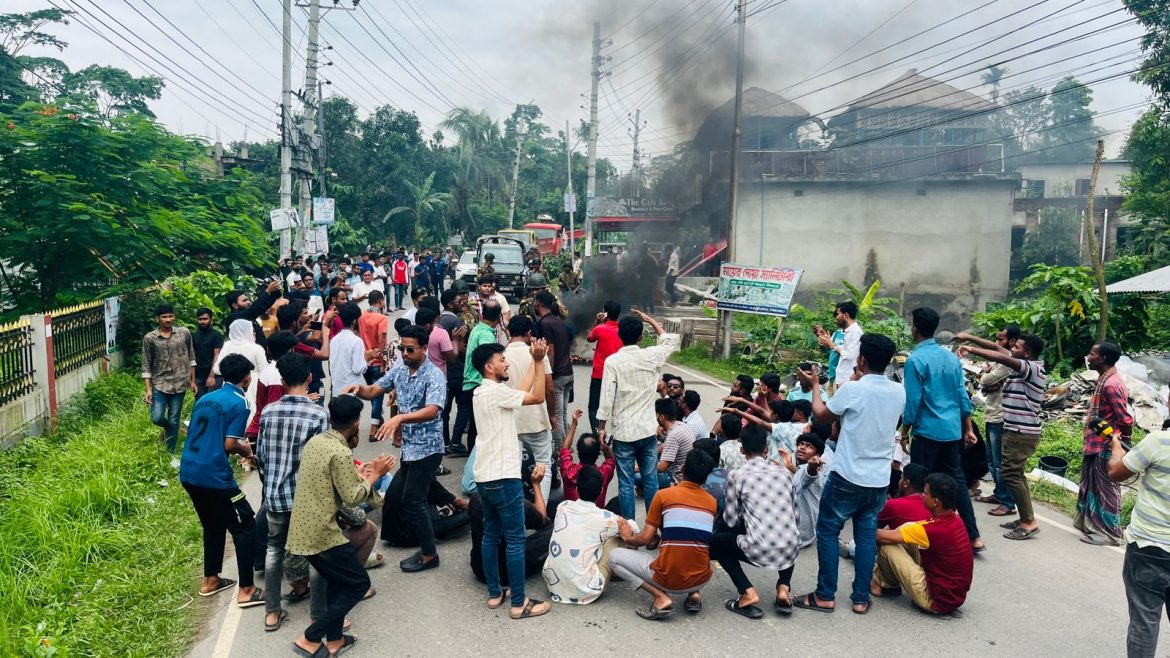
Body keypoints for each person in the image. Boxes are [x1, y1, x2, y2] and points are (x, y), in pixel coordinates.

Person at [794, 333, 904, 615]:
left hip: (847, 476)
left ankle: (825, 595)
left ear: (862, 359)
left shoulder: (853, 390)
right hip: (878, 479)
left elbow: (820, 415)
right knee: (866, 536)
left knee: (828, 530)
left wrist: (816, 385)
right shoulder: (898, 391)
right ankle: (859, 598)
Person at [288, 396, 395, 658]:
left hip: (303, 529)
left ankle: (334, 640)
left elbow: (333, 484)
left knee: (337, 582)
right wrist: (376, 475)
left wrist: (360, 476)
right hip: (322, 533)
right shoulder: (341, 451)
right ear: (356, 423)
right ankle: (310, 637)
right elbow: (353, 497)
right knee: (358, 585)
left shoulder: (317, 442)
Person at [344, 325, 447, 573]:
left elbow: (433, 409)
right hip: (410, 449)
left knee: (413, 500)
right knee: (407, 494)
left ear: (424, 349)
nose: (405, 353)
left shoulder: (434, 376)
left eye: (410, 349)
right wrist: (358, 389)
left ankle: (429, 554)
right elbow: (374, 390)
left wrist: (400, 418)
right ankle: (454, 505)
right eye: (402, 348)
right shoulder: (400, 370)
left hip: (428, 448)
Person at [470, 339, 553, 620]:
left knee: (491, 535)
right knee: (516, 540)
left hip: (484, 477)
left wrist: (534, 361)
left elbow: (520, 391)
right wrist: (541, 362)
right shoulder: (495, 393)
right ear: (489, 366)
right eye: (502, 359)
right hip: (504, 478)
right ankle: (519, 603)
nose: (506, 363)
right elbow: (537, 397)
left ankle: (496, 594)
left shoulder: (484, 392)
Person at [178, 354, 264, 608]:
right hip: (214, 474)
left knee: (213, 524)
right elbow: (228, 443)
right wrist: (246, 451)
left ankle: (211, 579)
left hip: (189, 471)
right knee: (244, 524)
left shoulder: (205, 398)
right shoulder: (241, 402)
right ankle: (246, 589)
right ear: (247, 378)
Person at [256, 353, 329, 631]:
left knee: (274, 550)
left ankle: (272, 612)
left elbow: (261, 455)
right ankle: (316, 615)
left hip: (276, 496)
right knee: (316, 555)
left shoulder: (268, 412)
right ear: (309, 378)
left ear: (283, 381)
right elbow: (323, 461)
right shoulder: (318, 414)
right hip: (307, 499)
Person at [901, 308, 984, 552]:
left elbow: (913, 401)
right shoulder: (951, 358)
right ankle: (973, 536)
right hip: (951, 431)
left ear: (915, 327)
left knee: (919, 481)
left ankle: (917, 535)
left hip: (927, 432)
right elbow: (961, 394)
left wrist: (905, 430)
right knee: (955, 480)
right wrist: (968, 428)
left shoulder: (915, 360)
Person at [957, 332, 1047, 541]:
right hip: (1016, 429)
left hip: (1021, 432)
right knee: (1015, 473)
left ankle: (1028, 522)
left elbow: (1003, 358)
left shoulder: (1030, 367)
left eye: (1017, 348)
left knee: (1011, 473)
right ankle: (1026, 516)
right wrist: (970, 338)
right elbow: (997, 349)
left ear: (1028, 352)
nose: (1012, 349)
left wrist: (970, 350)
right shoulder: (1023, 364)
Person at [610, 450, 717, 620]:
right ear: (705, 478)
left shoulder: (663, 495)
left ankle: (660, 597)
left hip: (667, 580)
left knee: (613, 557)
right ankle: (694, 594)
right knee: (694, 542)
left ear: (682, 469)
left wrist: (627, 537)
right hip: (701, 579)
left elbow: (646, 538)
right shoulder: (712, 502)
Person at [597, 310, 680, 521]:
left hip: (624, 433)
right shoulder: (650, 355)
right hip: (647, 431)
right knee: (651, 480)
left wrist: (601, 428)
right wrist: (651, 319)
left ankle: (630, 531)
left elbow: (606, 399)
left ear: (619, 336)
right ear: (641, 336)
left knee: (626, 483)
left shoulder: (613, 362)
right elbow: (669, 342)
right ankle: (652, 529)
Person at [710, 425, 801, 619]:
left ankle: (747, 592)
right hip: (791, 547)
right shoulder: (785, 473)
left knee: (716, 543)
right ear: (766, 449)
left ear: (742, 449)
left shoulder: (737, 475)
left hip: (760, 548)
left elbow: (731, 520)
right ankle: (783, 588)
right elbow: (795, 516)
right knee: (786, 530)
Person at [1107, 423, 1170, 656]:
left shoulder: (1158, 441)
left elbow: (1116, 472)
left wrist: (1116, 448)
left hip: (1149, 547)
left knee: (1144, 622)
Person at [871, 473, 973, 616]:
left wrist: (861, 519)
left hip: (935, 600)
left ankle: (886, 583)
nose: (922, 497)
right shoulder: (955, 519)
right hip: (955, 596)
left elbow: (881, 537)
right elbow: (911, 526)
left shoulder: (932, 530)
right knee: (903, 536)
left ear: (936, 502)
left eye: (925, 494)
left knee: (887, 545)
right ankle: (883, 580)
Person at [1076, 341, 1133, 546]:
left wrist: (1123, 443)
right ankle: (1094, 526)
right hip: (1096, 442)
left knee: (1107, 489)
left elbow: (1125, 419)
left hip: (1107, 445)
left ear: (1102, 359)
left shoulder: (1112, 384)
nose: (1088, 357)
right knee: (1093, 486)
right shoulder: (1103, 379)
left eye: (1092, 354)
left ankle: (1111, 533)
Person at [543, 466, 625, 605]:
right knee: (617, 535)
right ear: (601, 491)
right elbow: (631, 529)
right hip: (587, 591)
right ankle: (616, 571)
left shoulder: (563, 506)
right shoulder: (606, 518)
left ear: (577, 489)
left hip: (554, 587)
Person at [504, 315, 556, 500]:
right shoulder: (537, 353)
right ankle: (541, 509)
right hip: (538, 419)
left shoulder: (501, 357)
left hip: (512, 421)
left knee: (513, 468)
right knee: (544, 465)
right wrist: (552, 415)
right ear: (528, 333)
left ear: (509, 332)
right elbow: (549, 389)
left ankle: (517, 507)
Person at [974, 325, 1021, 517]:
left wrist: (985, 378)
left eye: (1001, 340)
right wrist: (988, 380)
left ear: (1011, 342)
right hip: (992, 412)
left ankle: (1008, 502)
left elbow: (986, 380)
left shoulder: (1008, 361)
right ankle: (999, 494)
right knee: (993, 461)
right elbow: (988, 383)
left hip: (1001, 416)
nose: (997, 344)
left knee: (1001, 462)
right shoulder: (999, 362)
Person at [142, 303, 196, 453]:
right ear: (157, 319)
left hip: (180, 383)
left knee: (174, 418)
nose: (167, 319)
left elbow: (191, 357)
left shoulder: (183, 333)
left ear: (174, 317)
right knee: (157, 417)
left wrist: (193, 380)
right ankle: (169, 428)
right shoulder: (150, 338)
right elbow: (146, 365)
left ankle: (169, 452)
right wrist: (148, 389)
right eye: (164, 317)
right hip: (160, 384)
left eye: (170, 316)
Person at [462, 301, 505, 452]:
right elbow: (489, 364)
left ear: (481, 314)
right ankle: (476, 457)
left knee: (476, 424)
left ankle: (474, 456)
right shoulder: (486, 335)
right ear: (499, 318)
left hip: (470, 383)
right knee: (480, 425)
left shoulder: (478, 329)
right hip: (478, 384)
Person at [534, 290, 573, 451]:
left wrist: (545, 375)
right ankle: (566, 448)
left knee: (555, 416)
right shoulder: (559, 322)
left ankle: (561, 451)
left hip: (557, 376)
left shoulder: (544, 324)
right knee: (562, 413)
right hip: (569, 373)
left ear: (538, 303)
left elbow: (550, 353)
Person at [559, 409, 615, 507]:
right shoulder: (603, 473)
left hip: (573, 517)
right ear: (598, 453)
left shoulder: (569, 471)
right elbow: (611, 460)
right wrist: (605, 447)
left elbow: (565, 450)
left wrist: (573, 424)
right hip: (597, 517)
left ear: (578, 451)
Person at [783, 432, 830, 550]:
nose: (802, 447)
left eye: (809, 446)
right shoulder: (800, 469)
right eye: (801, 444)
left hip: (797, 536)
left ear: (817, 455)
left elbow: (810, 475)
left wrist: (812, 465)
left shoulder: (810, 470)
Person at [438, 288, 471, 456]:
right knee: (465, 405)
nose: (462, 303)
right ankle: (456, 441)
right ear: (451, 304)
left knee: (444, 409)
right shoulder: (456, 321)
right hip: (457, 370)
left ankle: (444, 442)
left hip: (443, 371)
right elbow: (461, 347)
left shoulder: (439, 321)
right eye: (458, 301)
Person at [586, 301, 622, 434]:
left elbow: (590, 338)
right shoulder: (622, 330)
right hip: (617, 375)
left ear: (605, 313)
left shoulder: (599, 329)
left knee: (594, 406)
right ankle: (616, 434)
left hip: (599, 374)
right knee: (616, 406)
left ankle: (598, 434)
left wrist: (597, 321)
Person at [359, 291, 390, 439]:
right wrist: (384, 362)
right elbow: (381, 341)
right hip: (377, 360)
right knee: (377, 395)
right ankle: (373, 429)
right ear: (381, 301)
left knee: (371, 393)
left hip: (365, 360)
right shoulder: (382, 318)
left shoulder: (362, 317)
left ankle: (377, 419)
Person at [328, 303, 376, 398]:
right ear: (355, 321)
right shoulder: (356, 341)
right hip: (351, 391)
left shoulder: (334, 340)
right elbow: (358, 369)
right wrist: (365, 360)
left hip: (336, 390)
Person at [817, 301, 861, 392]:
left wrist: (832, 345)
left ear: (846, 315)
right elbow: (832, 351)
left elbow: (850, 355)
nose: (835, 318)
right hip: (836, 377)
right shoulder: (843, 332)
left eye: (837, 314)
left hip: (847, 379)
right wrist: (827, 342)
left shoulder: (856, 333)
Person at [224, 279, 282, 348]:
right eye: (244, 301)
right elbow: (254, 309)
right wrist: (267, 291)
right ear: (235, 305)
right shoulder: (233, 318)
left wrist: (275, 290)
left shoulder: (250, 317)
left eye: (247, 299)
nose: (248, 302)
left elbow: (262, 307)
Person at [656, 398, 697, 490]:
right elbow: (665, 446)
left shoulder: (673, 436)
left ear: (662, 418)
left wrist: (639, 467)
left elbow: (662, 467)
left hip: (675, 477)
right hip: (685, 471)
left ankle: (652, 489)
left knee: (638, 476)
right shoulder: (681, 424)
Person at [193, 307, 224, 401]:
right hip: (199, 376)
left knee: (212, 403)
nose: (202, 322)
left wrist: (211, 376)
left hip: (214, 376)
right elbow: (192, 357)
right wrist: (193, 379)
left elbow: (217, 355)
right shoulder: (194, 336)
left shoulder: (217, 335)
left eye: (205, 319)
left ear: (211, 319)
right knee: (200, 403)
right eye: (200, 319)